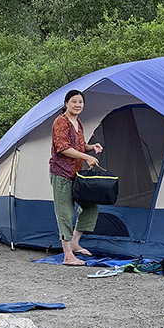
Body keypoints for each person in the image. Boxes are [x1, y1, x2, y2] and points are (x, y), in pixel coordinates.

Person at [49, 89, 103, 266]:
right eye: (74, 102)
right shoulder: (61, 122)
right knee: (65, 212)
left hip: (77, 174)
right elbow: (62, 148)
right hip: (62, 173)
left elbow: (78, 146)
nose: (78, 105)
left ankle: (74, 242)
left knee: (91, 207)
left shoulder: (78, 122)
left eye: (80, 102)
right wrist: (86, 157)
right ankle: (68, 256)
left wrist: (90, 147)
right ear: (66, 103)